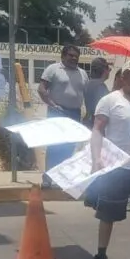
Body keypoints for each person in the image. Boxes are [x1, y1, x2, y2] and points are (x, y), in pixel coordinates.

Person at [86, 59, 130, 259]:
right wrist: (97, 159)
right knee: (107, 215)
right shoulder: (109, 100)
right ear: (123, 77)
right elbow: (97, 131)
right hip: (116, 168)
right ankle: (101, 255)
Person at [38, 45, 88, 181]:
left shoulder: (82, 73)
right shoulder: (53, 69)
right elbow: (41, 89)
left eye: (76, 56)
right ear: (63, 56)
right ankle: (48, 178)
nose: (74, 58)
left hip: (75, 114)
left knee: (70, 146)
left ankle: (62, 178)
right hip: (57, 112)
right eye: (71, 55)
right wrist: (53, 105)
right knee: (55, 145)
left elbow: (86, 93)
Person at [83, 57, 111, 128]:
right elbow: (103, 107)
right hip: (94, 122)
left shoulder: (89, 83)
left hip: (88, 120)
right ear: (104, 70)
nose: (110, 71)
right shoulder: (100, 86)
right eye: (109, 69)